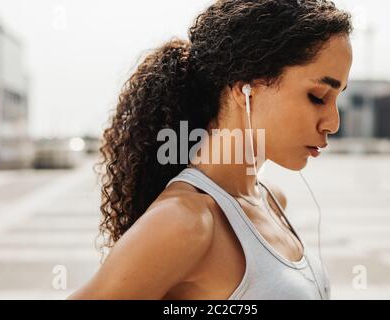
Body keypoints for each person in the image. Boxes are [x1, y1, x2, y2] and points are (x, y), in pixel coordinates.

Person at [68, 0, 353, 300]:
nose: (333, 123)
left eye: (338, 99)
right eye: (318, 96)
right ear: (246, 86)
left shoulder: (272, 200)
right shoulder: (185, 222)